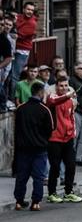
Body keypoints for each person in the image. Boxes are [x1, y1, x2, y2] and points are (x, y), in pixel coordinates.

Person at [13, 82, 54, 211]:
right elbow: (50, 129)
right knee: (38, 177)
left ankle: (19, 201)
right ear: (41, 93)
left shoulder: (21, 108)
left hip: (23, 149)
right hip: (39, 149)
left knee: (22, 176)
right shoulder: (44, 109)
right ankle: (35, 202)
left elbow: (16, 129)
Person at [45, 77, 82, 204]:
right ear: (56, 87)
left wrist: (73, 132)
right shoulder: (52, 98)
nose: (64, 87)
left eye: (66, 85)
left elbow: (71, 117)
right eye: (61, 85)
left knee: (71, 166)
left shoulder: (70, 101)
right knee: (55, 167)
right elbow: (55, 101)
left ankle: (68, 192)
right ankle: (52, 193)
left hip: (68, 138)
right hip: (54, 139)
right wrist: (68, 95)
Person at [11, 2, 37, 90]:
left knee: (15, 75)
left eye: (32, 10)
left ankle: (12, 98)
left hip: (22, 51)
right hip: (13, 48)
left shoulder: (32, 23)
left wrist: (14, 25)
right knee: (8, 74)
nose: (30, 12)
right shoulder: (19, 17)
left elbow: (18, 35)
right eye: (28, 9)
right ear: (23, 9)